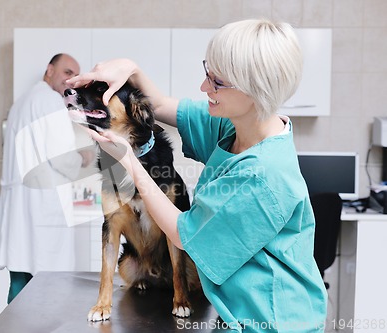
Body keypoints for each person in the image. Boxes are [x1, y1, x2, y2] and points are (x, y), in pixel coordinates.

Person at [67, 19, 327, 332]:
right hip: (236, 313)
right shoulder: (234, 125)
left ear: (254, 89)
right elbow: (159, 105)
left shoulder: (262, 177)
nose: (205, 88)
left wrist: (130, 164)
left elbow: (182, 233)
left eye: (217, 81)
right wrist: (130, 69)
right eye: (207, 73)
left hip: (271, 322)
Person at [0, 53, 94, 303]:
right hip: (42, 206)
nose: (71, 79)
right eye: (67, 72)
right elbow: (62, 158)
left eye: (75, 76)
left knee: (19, 280)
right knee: (49, 288)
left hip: (21, 207)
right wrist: (82, 158)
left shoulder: (21, 102)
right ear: (49, 70)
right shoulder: (50, 101)